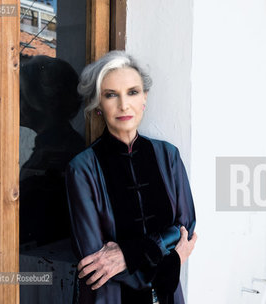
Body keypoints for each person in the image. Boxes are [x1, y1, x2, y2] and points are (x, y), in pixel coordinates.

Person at [65, 51, 197, 304]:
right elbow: (96, 263)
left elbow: (185, 230)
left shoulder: (168, 156)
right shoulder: (81, 169)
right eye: (111, 95)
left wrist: (128, 255)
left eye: (133, 92)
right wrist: (170, 260)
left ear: (144, 98)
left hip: (167, 296)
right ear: (97, 105)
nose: (123, 105)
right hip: (110, 297)